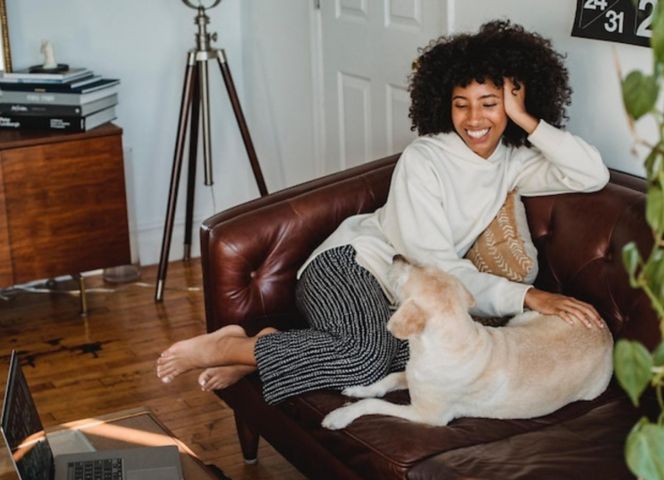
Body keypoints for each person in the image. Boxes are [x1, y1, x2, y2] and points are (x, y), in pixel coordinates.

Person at [156, 20, 609, 404]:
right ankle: (232, 347)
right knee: (364, 357)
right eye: (461, 104)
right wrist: (528, 297)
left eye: (490, 104)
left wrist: (526, 119)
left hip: (408, 292)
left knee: (429, 354)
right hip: (353, 265)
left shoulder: (513, 162)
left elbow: (590, 175)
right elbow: (437, 266)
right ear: (442, 103)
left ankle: (261, 347)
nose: (475, 119)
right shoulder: (425, 158)